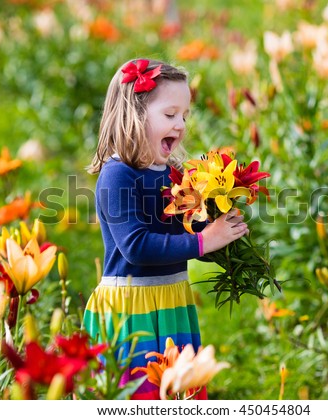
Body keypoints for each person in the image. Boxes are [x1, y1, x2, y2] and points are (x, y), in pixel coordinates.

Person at [83, 58, 248, 400]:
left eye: (185, 116)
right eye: (170, 115)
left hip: (172, 300)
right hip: (132, 307)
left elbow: (187, 224)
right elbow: (136, 246)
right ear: (134, 113)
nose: (181, 125)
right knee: (139, 395)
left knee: (178, 394)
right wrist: (205, 241)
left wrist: (220, 210)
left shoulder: (172, 173)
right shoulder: (118, 175)